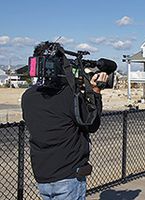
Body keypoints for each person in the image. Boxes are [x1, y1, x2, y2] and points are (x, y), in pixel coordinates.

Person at [21, 42, 108, 200]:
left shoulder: (28, 96)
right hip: (68, 176)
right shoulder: (69, 96)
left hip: (42, 175)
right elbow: (92, 124)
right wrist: (95, 91)